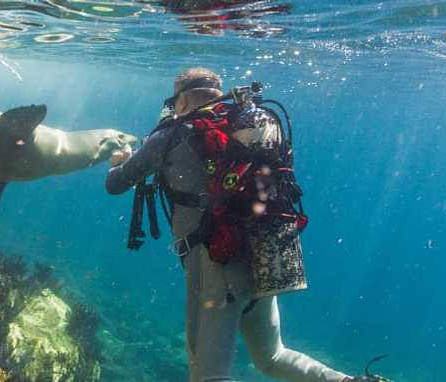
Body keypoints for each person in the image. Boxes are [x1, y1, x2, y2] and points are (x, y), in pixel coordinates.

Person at [106, 68, 389, 382]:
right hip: (261, 253)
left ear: (182, 99)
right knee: (272, 357)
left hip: (215, 265)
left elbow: (115, 184)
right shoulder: (244, 124)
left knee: (208, 375)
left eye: (174, 101)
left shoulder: (168, 136)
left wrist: (119, 162)